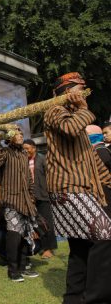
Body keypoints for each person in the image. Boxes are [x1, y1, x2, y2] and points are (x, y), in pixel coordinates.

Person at [44, 72, 111, 304]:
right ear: (66, 92)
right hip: (67, 189)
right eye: (79, 88)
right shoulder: (54, 110)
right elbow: (70, 128)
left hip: (83, 189)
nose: (84, 92)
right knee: (105, 236)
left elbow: (92, 159)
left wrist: (107, 180)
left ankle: (73, 299)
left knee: (81, 248)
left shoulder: (78, 118)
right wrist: (84, 109)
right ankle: (96, 298)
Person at [0, 128, 39, 282]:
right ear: (10, 137)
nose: (20, 136)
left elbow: (29, 179)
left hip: (26, 201)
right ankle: (13, 271)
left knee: (25, 235)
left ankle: (23, 267)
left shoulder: (24, 154)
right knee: (14, 235)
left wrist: (32, 196)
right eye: (17, 134)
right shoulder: (5, 152)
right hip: (11, 201)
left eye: (21, 134)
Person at [23, 138, 57, 259]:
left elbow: (51, 176)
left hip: (43, 196)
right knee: (34, 224)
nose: (25, 151)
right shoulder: (23, 161)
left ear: (34, 148)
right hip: (29, 198)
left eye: (27, 148)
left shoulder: (43, 159)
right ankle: (38, 246)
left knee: (46, 223)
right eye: (24, 149)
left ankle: (48, 248)